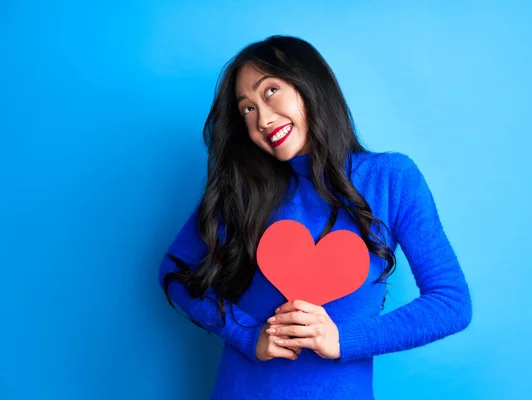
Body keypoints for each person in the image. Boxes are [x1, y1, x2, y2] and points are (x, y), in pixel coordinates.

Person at [158, 35, 472, 400]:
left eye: (270, 91)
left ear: (310, 85)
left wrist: (343, 338)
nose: (262, 117)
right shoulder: (245, 190)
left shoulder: (391, 178)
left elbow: (451, 302)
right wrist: (246, 334)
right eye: (246, 109)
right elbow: (174, 269)